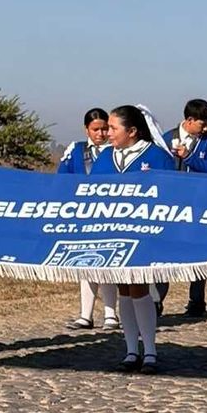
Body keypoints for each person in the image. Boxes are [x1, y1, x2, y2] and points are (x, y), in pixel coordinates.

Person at [90, 105, 175, 374]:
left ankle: (149, 349)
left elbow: (170, 194)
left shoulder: (157, 157)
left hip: (144, 235)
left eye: (114, 128)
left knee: (139, 287)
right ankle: (130, 350)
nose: (108, 133)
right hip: (112, 233)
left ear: (133, 131)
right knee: (123, 290)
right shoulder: (105, 158)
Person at [59, 108, 118, 332]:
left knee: (109, 265)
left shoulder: (115, 151)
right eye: (96, 129)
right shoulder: (75, 150)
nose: (101, 134)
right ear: (87, 129)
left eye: (105, 129)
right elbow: (62, 178)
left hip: (110, 214)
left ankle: (111, 313)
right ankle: (85, 314)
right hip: (82, 214)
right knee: (85, 263)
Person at [163, 98, 207, 319]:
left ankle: (197, 300)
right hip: (171, 204)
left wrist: (190, 157)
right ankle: (157, 299)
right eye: (202, 124)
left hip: (198, 202)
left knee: (198, 251)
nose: (206, 129)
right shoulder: (167, 138)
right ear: (189, 120)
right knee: (164, 251)